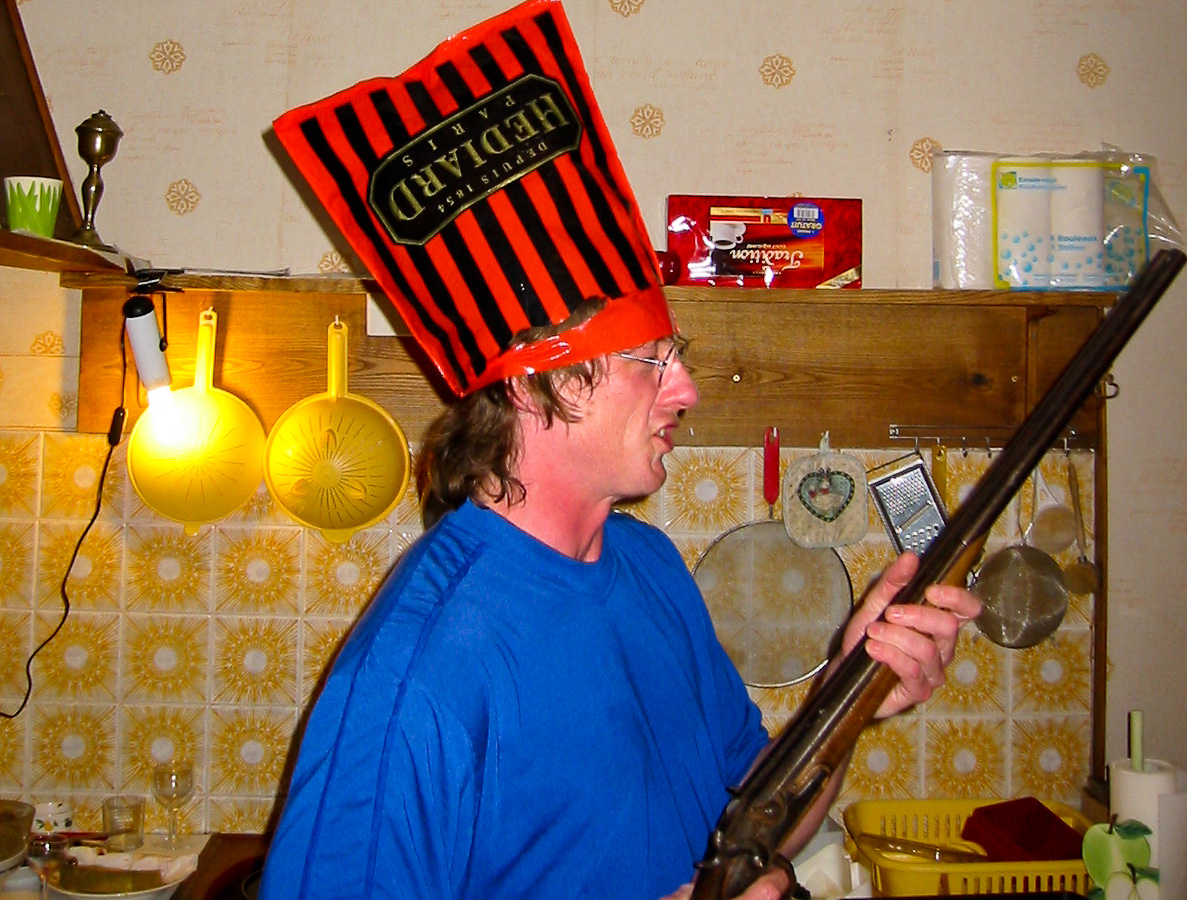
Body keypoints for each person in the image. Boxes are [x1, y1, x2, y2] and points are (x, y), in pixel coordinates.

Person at [262, 2, 981, 897]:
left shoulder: (649, 566)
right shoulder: (416, 675)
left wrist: (849, 693)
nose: (686, 391)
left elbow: (752, 824)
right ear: (538, 385)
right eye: (652, 362)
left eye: (678, 357)